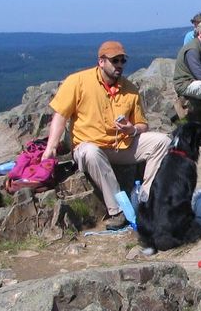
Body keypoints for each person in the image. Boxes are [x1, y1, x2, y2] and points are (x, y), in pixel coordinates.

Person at [42, 41, 170, 230]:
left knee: (163, 141)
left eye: (122, 60)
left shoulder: (130, 89)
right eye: (114, 60)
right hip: (89, 147)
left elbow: (142, 124)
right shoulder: (77, 81)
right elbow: (60, 115)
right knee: (91, 151)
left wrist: (132, 129)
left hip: (121, 146)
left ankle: (146, 199)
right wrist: (51, 147)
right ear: (101, 62)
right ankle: (118, 210)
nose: (119, 64)